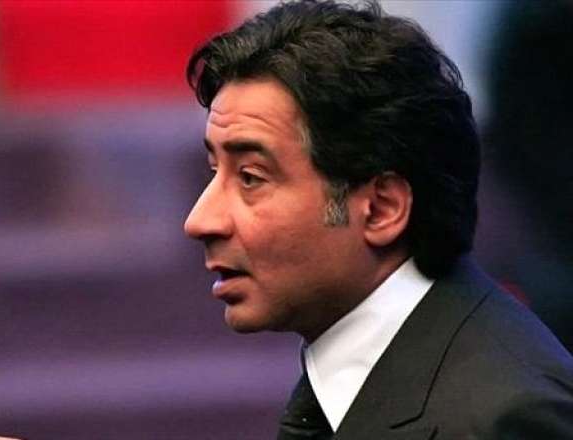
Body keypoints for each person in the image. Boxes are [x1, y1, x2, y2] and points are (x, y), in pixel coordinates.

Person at [183, 0, 573, 439]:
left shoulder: (502, 417)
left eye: (251, 177)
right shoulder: (365, 374)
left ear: (382, 208)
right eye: (215, 171)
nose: (200, 220)